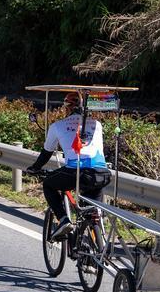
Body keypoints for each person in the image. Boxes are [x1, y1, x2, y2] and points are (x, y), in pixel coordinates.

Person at [26, 92, 111, 239]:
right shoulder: (97, 124)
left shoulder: (57, 126)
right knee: (92, 211)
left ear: (66, 108)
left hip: (78, 173)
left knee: (48, 185)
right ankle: (96, 242)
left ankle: (64, 220)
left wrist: (34, 168)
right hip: (102, 173)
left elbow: (46, 153)